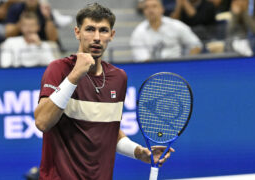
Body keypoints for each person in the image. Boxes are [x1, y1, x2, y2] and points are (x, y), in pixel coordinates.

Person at [34, 3, 174, 179]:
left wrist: (140, 153)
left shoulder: (118, 78)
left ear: (112, 35)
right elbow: (42, 122)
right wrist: (75, 75)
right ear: (77, 32)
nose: (97, 37)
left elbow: (109, 132)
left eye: (103, 31)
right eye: (90, 29)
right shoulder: (59, 69)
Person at [130, 0, 202, 62]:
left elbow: (196, 45)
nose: (150, 10)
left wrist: (187, 63)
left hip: (177, 68)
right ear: (143, 12)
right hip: (152, 72)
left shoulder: (176, 25)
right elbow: (143, 59)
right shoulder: (138, 32)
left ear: (162, 9)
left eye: (154, 6)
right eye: (146, 7)